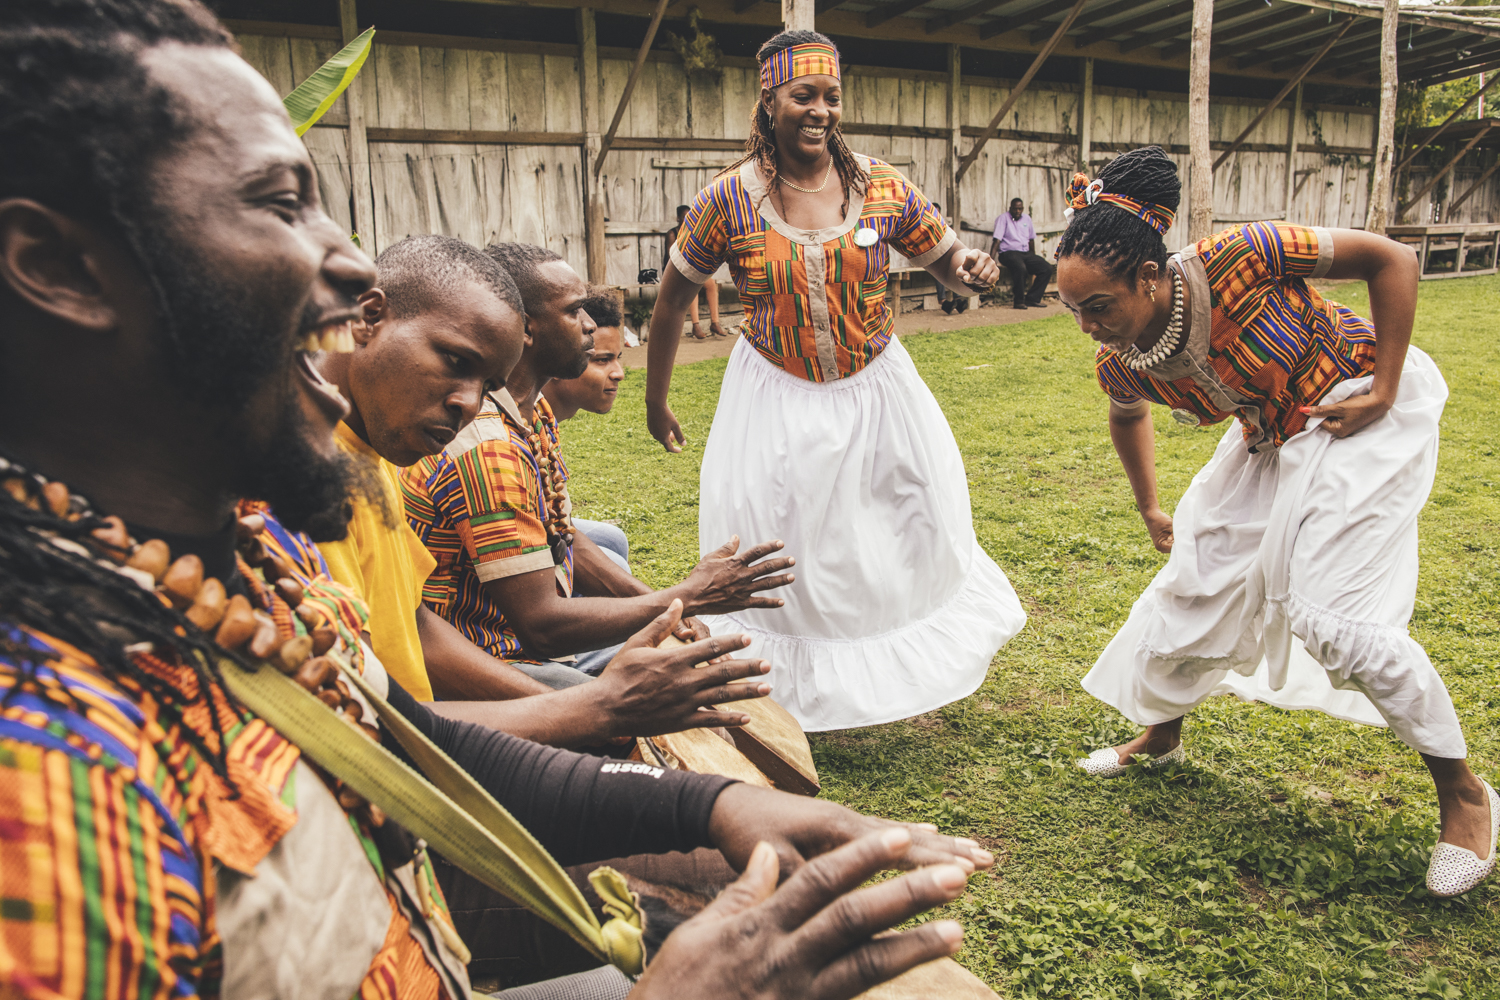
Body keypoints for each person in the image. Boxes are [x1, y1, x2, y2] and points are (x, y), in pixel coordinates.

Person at [0, 5, 996, 1000]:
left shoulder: (242, 550)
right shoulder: (48, 780)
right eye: (277, 203)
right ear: (59, 268)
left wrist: (707, 805)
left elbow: (396, 728)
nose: (351, 264)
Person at [1056, 146, 1497, 898]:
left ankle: (1465, 797)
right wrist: (1150, 506)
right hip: (1272, 440)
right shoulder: (1124, 359)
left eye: (1099, 306)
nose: (1090, 327)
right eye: (1075, 311)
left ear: (1150, 276)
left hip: (1357, 409)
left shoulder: (1242, 256)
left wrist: (1385, 388)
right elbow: (1126, 415)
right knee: (1191, 589)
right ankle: (1161, 740)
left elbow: (1391, 258)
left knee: (1333, 621)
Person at [645, 30, 1028, 732]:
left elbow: (943, 260)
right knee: (784, 545)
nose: (820, 110)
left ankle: (895, 673)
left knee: (903, 524)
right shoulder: (727, 200)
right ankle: (788, 688)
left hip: (877, 390)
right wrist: (656, 398)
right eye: (803, 96)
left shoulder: (880, 185)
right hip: (774, 395)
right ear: (769, 102)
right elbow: (671, 299)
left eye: (830, 97)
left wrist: (969, 267)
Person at [404, 243, 797, 679]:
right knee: (664, 681)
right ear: (526, 330)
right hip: (494, 658)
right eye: (575, 312)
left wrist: (671, 607)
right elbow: (542, 629)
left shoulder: (532, 410)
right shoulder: (490, 448)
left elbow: (562, 534)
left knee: (665, 647)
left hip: (522, 640)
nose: (591, 324)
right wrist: (691, 595)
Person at [312, 232, 577, 698]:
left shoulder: (373, 444)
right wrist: (588, 708)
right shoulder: (305, 481)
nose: (469, 403)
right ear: (368, 317)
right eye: (456, 361)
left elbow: (413, 620)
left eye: (489, 385)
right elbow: (369, 709)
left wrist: (566, 703)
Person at [543, 290, 631, 572]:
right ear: (559, 362)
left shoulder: (546, 418)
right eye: (602, 360)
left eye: (617, 358)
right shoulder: (518, 421)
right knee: (614, 564)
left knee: (613, 539)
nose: (619, 372)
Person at [664, 203, 723, 339]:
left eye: (688, 216)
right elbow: (671, 259)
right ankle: (695, 325)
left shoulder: (692, 232)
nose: (686, 219)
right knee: (691, 285)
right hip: (675, 272)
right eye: (684, 217)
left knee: (712, 284)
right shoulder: (672, 234)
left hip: (692, 269)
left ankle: (715, 322)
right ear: (678, 218)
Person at [990, 197, 1051, 309]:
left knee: (1046, 268)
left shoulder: (1027, 219)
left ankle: (1032, 299)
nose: (1017, 211)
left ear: (1023, 209)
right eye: (1015, 209)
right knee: (1020, 268)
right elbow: (996, 241)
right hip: (1008, 253)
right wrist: (990, 261)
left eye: (1019, 209)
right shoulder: (1003, 219)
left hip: (1025, 253)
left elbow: (1031, 240)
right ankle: (1019, 301)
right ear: (1010, 208)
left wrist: (1033, 256)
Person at [932, 202, 968, 314]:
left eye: (937, 212)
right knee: (940, 271)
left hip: (944, 256)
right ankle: (943, 301)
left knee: (953, 268)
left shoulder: (944, 227)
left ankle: (957, 299)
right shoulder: (924, 226)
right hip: (931, 259)